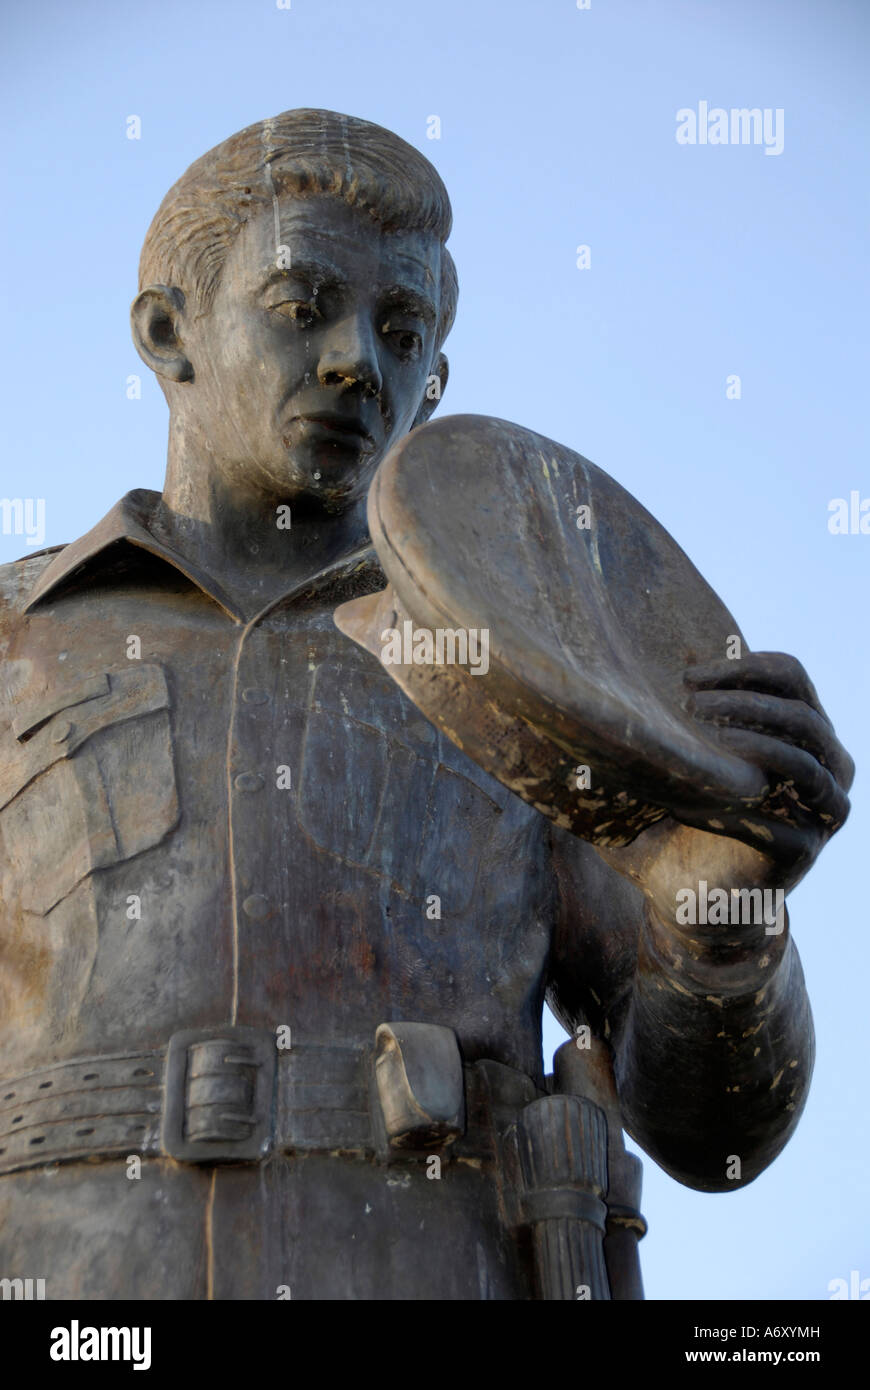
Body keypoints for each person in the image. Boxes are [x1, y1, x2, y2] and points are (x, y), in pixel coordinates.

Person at [0, 109, 852, 1300]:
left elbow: (718, 1137)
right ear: (168, 333)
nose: (359, 360)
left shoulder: (528, 676)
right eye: (303, 305)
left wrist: (720, 919)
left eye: (403, 332)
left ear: (434, 389)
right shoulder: (11, 639)